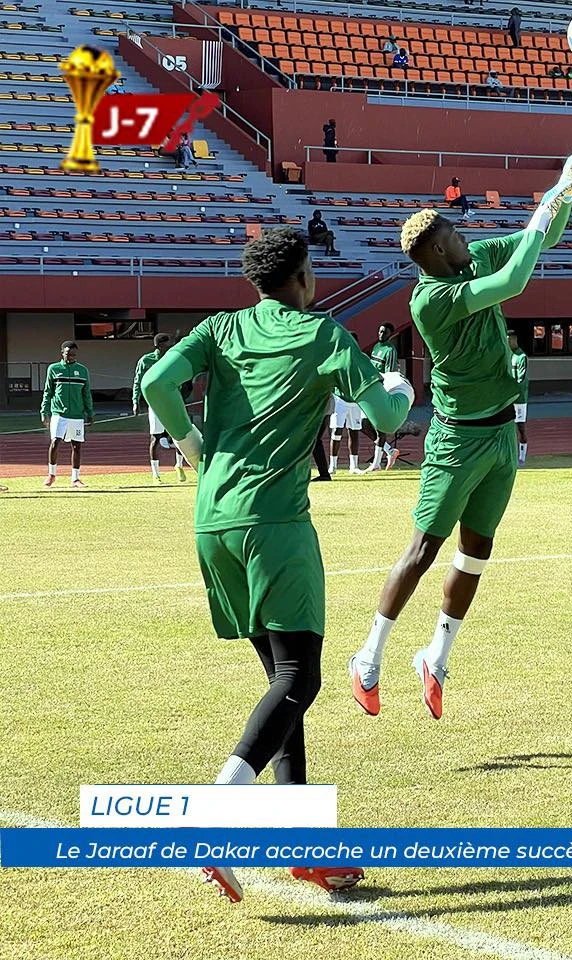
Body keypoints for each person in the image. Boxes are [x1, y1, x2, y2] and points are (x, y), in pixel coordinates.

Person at [140, 227, 411, 902]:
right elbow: (383, 416)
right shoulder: (324, 336)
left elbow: (154, 381)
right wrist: (399, 390)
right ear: (303, 277)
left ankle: (306, 849)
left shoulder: (222, 328)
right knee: (299, 676)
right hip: (275, 524)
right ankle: (216, 817)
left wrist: (192, 443)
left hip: (213, 519)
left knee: (285, 685)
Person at [347, 141, 572, 720]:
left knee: (476, 554)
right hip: (456, 439)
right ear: (436, 251)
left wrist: (567, 187)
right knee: (422, 550)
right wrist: (557, 180)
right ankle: (369, 656)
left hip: (500, 435)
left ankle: (435, 656)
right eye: (459, 236)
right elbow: (514, 282)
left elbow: (546, 238)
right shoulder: (429, 301)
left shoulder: (472, 258)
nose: (470, 239)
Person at [133, 333, 190, 482]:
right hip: (155, 404)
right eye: (167, 344)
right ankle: (156, 474)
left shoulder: (173, 359)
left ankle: (179, 466)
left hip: (173, 402)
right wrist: (135, 401)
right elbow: (138, 381)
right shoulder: (146, 360)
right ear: (158, 345)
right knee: (156, 438)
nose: (170, 346)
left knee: (179, 435)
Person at [41, 340, 93, 488]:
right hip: (59, 413)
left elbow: (86, 393)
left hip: (77, 415)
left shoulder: (82, 370)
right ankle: (51, 475)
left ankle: (75, 478)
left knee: (76, 446)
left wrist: (90, 412)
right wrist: (44, 411)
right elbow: (48, 392)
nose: (70, 357)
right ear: (62, 353)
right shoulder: (53, 369)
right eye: (68, 354)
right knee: (55, 442)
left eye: (73, 355)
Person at [367, 322, 402, 470]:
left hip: (381, 390)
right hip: (371, 388)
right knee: (364, 424)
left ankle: (376, 464)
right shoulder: (376, 347)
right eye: (380, 331)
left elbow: (391, 374)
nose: (381, 335)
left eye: (385, 333)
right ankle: (389, 450)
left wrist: (386, 392)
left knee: (379, 426)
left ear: (390, 335)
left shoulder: (390, 350)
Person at [508, 329, 529, 466]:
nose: (507, 342)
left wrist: (510, 390)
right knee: (506, 428)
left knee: (520, 428)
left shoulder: (522, 357)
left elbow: (520, 380)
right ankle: (509, 456)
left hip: (519, 399)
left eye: (509, 339)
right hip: (507, 399)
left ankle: (522, 456)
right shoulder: (507, 356)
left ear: (514, 340)